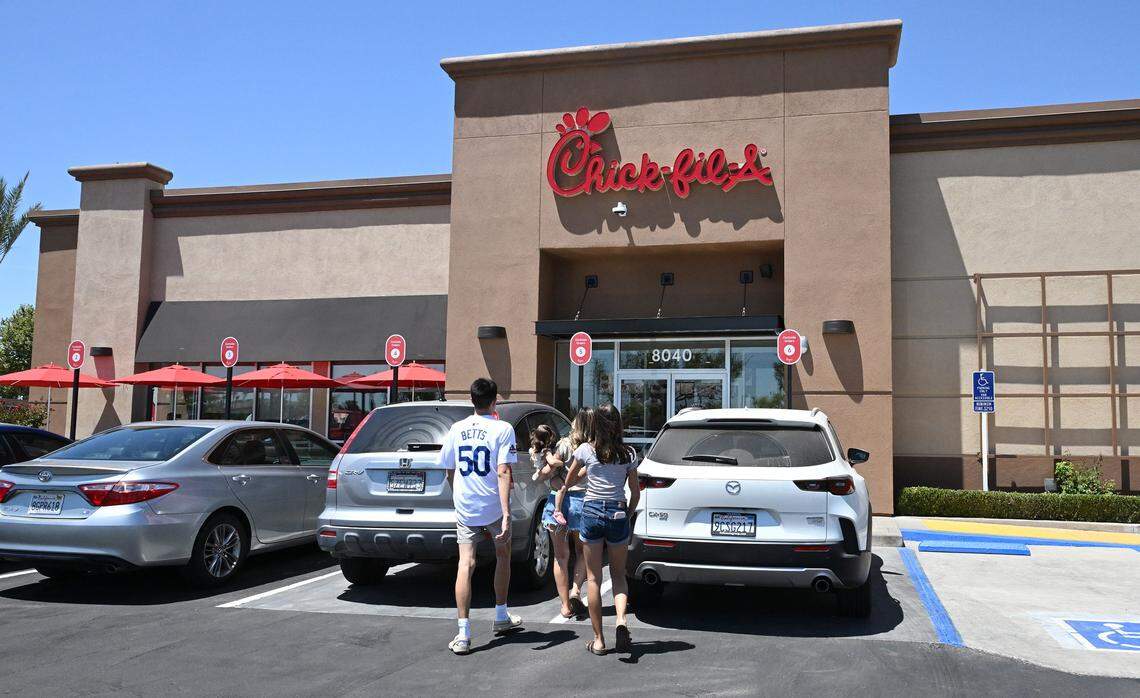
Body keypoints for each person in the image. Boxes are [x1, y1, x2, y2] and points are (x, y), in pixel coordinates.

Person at [440, 377, 523, 655]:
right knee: (502, 555)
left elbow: (449, 470)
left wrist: (458, 495)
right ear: (494, 400)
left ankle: (463, 633)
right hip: (493, 505)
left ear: (471, 399)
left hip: (466, 505)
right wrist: (507, 513)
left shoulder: (456, 428)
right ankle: (500, 614)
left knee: (466, 563)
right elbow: (503, 472)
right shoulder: (503, 429)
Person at [555, 403, 639, 655]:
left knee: (593, 578)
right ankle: (622, 621)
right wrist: (629, 513)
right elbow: (635, 492)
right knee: (619, 576)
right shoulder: (629, 454)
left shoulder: (584, 449)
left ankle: (599, 640)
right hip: (617, 511)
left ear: (596, 425)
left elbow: (568, 481)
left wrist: (585, 469)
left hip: (591, 511)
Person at [533, 410, 590, 619]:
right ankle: (576, 591)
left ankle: (565, 606)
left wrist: (540, 473)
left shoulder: (563, 445)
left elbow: (547, 471)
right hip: (581, 502)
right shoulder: (592, 447)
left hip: (557, 501)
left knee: (560, 556)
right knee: (582, 552)